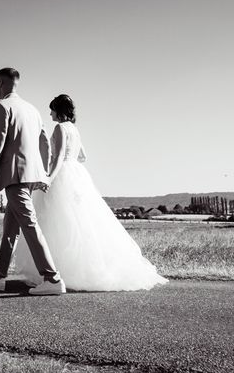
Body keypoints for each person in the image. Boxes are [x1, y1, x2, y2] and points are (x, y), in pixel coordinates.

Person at [15, 94, 168, 291]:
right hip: (76, 174)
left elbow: (59, 156)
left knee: (58, 222)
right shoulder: (74, 130)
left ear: (59, 111)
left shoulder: (60, 127)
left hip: (62, 173)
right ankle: (67, 272)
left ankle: (56, 273)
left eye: (52, 109)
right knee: (79, 223)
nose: (50, 112)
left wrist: (49, 179)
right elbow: (83, 156)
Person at [0, 68, 66, 295]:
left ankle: (53, 279)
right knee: (11, 228)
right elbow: (44, 142)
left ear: (1, 83)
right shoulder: (32, 109)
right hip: (31, 176)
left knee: (29, 224)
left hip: (14, 176)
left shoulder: (1, 107)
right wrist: (43, 172)